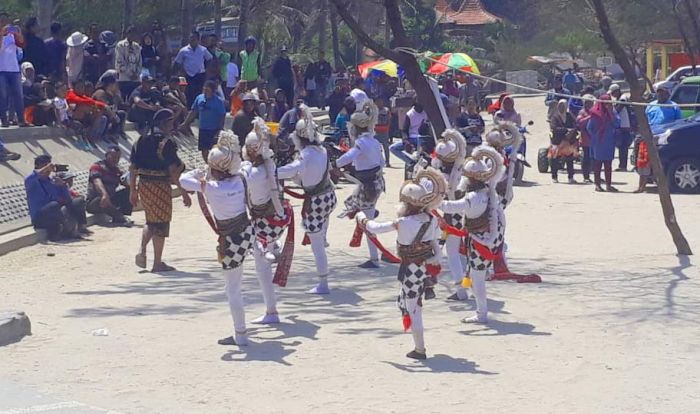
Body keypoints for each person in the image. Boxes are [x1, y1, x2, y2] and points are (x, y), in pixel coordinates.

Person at [356, 167, 445, 360]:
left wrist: (362, 218)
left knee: (414, 308)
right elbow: (436, 243)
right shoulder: (432, 219)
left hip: (412, 269)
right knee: (410, 303)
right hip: (425, 268)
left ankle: (420, 349)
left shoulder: (404, 222)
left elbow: (375, 228)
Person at [178, 130, 253, 346]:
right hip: (246, 233)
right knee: (235, 286)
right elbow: (246, 164)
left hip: (231, 241)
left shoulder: (210, 188)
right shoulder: (241, 180)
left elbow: (184, 179)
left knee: (233, 290)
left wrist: (204, 171)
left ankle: (241, 335)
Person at [440, 146, 506, 324]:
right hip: (487, 241)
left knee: (477, 281)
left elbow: (451, 207)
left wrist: (433, 201)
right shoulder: (490, 193)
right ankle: (478, 309)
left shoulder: (474, 197)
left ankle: (481, 314)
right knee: (476, 277)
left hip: (480, 243)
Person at [277, 106, 337, 294]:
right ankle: (323, 234)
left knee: (317, 245)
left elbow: (291, 171)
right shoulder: (322, 151)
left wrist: (271, 172)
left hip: (316, 202)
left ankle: (323, 283)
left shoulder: (305, 156)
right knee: (320, 236)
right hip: (329, 196)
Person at [239, 119, 289, 323]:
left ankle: (271, 311)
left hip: (262, 223)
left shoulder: (251, 172)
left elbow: (237, 176)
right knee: (262, 262)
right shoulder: (269, 165)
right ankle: (272, 247)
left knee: (261, 269)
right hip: (275, 218)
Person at [129, 109, 191, 273]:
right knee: (161, 223)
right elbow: (172, 170)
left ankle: (143, 250)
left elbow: (133, 168)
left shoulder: (140, 141)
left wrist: (133, 190)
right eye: (171, 122)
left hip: (144, 185)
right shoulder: (166, 143)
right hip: (160, 185)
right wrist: (183, 191)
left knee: (151, 220)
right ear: (165, 123)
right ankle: (157, 262)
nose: (173, 126)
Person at [333, 100, 385, 268]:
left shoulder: (361, 143)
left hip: (368, 185)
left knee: (367, 223)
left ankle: (374, 258)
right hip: (376, 183)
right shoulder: (375, 142)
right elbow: (382, 162)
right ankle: (377, 252)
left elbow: (348, 158)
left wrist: (335, 164)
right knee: (360, 213)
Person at [432, 129, 469, 301]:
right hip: (463, 214)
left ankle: (462, 291)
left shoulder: (446, 177)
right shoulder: (461, 170)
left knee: (452, 253)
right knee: (458, 253)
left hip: (453, 216)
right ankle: (467, 284)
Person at [25, 154, 90, 241]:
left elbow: (67, 199)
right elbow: (34, 175)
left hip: (55, 213)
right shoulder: (31, 180)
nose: (48, 169)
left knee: (77, 201)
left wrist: (62, 185)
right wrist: (46, 168)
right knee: (54, 205)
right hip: (39, 217)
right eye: (44, 165)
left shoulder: (52, 181)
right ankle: (55, 233)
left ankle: (80, 227)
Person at [181, 79, 227, 161]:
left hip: (214, 129)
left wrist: (220, 129)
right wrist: (185, 123)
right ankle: (209, 164)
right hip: (203, 129)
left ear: (213, 91)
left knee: (215, 150)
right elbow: (193, 111)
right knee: (204, 150)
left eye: (208, 90)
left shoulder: (218, 101)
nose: (205, 92)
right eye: (204, 89)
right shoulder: (199, 98)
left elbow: (222, 115)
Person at [86, 146, 132, 225]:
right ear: (107, 155)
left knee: (129, 191)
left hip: (110, 199)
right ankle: (119, 216)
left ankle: (122, 215)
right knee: (101, 199)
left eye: (118, 157)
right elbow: (97, 182)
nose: (115, 160)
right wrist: (104, 194)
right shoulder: (97, 167)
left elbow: (125, 183)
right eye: (113, 157)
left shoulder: (116, 170)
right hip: (94, 202)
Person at [587, 95, 620, 192]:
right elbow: (589, 128)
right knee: (597, 164)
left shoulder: (613, 112)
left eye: (609, 103)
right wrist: (596, 135)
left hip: (609, 141)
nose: (607, 105)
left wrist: (610, 113)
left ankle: (608, 185)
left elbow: (617, 124)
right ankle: (597, 184)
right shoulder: (595, 113)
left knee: (608, 164)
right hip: (598, 142)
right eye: (605, 103)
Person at [173, 31, 212, 108]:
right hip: (188, 76)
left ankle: (198, 111)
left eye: (194, 38)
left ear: (198, 39)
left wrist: (207, 69)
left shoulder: (203, 50)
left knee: (199, 94)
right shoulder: (183, 51)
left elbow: (210, 59)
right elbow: (177, 63)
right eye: (191, 38)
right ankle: (190, 111)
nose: (192, 40)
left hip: (200, 75)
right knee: (188, 94)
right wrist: (177, 74)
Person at [67, 78, 109, 147]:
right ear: (74, 87)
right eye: (78, 87)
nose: (81, 89)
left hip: (86, 117)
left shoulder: (83, 96)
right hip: (74, 119)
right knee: (84, 106)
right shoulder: (70, 94)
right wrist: (94, 105)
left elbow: (92, 101)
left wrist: (102, 106)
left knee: (102, 117)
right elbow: (81, 101)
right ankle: (89, 137)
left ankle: (94, 137)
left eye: (82, 87)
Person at [1, 23, 28, 127]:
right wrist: (2, 35)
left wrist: (18, 34)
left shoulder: (13, 37)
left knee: (18, 95)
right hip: (1, 70)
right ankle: (4, 120)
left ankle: (21, 119)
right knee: (3, 96)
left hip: (14, 69)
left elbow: (22, 44)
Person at [548, 99, 578, 183]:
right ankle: (554, 177)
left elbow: (575, 125)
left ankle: (570, 177)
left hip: (568, 141)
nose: (561, 108)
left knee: (569, 160)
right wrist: (566, 130)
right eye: (560, 106)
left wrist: (571, 131)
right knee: (554, 160)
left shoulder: (569, 115)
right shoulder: (555, 117)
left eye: (563, 106)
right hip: (557, 141)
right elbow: (554, 127)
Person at [92, 75, 127, 140]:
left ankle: (114, 134)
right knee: (107, 115)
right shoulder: (101, 92)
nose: (117, 85)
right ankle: (102, 135)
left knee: (122, 114)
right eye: (115, 84)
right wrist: (115, 116)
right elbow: (105, 107)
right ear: (110, 84)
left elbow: (121, 105)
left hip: (111, 114)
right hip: (97, 116)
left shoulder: (114, 94)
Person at [115, 26, 142, 99]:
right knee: (124, 98)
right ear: (127, 34)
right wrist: (130, 73)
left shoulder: (137, 46)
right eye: (131, 34)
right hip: (124, 78)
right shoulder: (120, 45)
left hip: (135, 79)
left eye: (135, 34)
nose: (133, 36)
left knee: (134, 97)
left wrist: (137, 73)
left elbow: (139, 62)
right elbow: (119, 61)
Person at [576, 95, 595, 184]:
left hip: (594, 139)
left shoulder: (595, 111)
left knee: (595, 159)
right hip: (586, 139)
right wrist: (589, 117)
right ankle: (586, 177)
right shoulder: (582, 112)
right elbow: (580, 122)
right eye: (587, 103)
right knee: (586, 158)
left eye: (591, 103)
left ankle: (596, 175)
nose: (589, 104)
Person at [374, 96, 391, 167]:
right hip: (375, 131)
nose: (379, 103)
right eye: (377, 101)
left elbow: (389, 120)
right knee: (375, 148)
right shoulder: (372, 110)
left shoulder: (386, 110)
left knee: (386, 147)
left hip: (384, 131)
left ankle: (387, 162)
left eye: (380, 101)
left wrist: (387, 128)